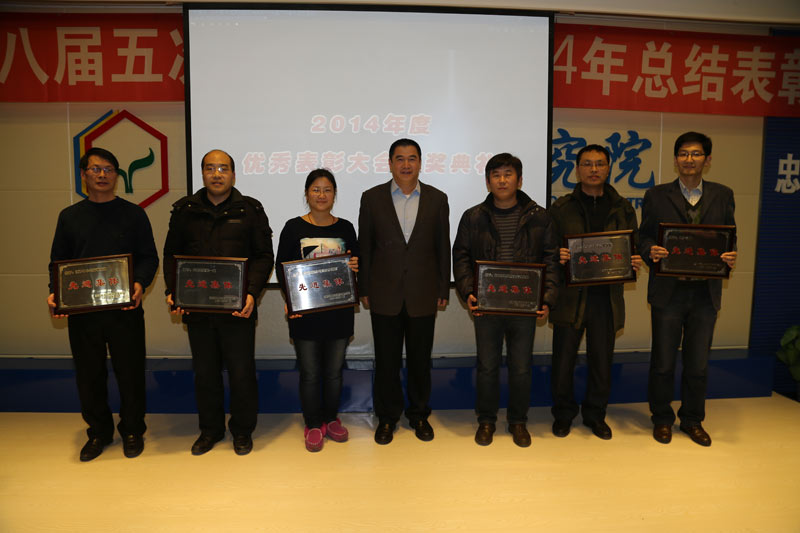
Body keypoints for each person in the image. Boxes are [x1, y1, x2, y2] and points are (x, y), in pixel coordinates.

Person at [48, 147, 159, 461]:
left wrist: (139, 283)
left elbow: (149, 257)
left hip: (125, 309)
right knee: (89, 374)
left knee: (131, 373)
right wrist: (54, 293)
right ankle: (98, 432)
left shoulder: (134, 214)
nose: (102, 175)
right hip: (83, 312)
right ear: (83, 175)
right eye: (95, 169)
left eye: (109, 169)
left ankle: (133, 430)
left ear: (117, 176)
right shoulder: (69, 217)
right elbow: (58, 262)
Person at [163, 149, 274, 456]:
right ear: (202, 174)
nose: (216, 174)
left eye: (223, 168)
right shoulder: (185, 210)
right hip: (198, 309)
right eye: (210, 168)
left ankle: (242, 430)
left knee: (241, 373)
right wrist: (173, 290)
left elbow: (264, 256)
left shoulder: (250, 210)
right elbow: (171, 255)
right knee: (205, 374)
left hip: (238, 309)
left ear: (233, 175)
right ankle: (210, 430)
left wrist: (252, 292)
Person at [453, 153, 559, 447]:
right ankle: (486, 420)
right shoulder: (473, 217)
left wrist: (547, 298)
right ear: (488, 182)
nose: (502, 180)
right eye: (496, 175)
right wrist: (468, 291)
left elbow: (551, 259)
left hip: (524, 307)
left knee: (521, 367)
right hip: (487, 306)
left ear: (519, 180)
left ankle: (518, 421)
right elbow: (461, 256)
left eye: (508, 174)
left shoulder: (540, 217)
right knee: (487, 366)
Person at [640, 132, 737, 447]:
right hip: (668, 292)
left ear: (707, 160)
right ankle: (662, 418)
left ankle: (693, 420)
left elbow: (729, 236)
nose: (689, 159)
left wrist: (730, 256)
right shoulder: (656, 195)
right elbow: (643, 237)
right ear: (675, 159)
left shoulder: (723, 195)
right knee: (663, 362)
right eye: (683, 153)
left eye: (696, 154)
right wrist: (650, 250)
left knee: (698, 364)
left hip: (705, 294)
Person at [358, 138, 450, 445]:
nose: (406, 164)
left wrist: (443, 287)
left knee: (420, 361)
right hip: (384, 292)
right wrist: (364, 286)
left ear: (420, 163)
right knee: (387, 361)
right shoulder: (372, 198)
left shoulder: (437, 199)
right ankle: (387, 418)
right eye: (400, 159)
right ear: (390, 164)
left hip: (424, 292)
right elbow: (365, 246)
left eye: (412, 158)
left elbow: (443, 247)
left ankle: (419, 415)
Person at [548, 144, 642, 440]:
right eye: (587, 164)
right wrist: (558, 255)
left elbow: (633, 245)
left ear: (608, 168)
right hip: (569, 297)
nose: (593, 169)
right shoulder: (561, 208)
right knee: (563, 362)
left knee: (602, 362)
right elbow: (547, 249)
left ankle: (595, 415)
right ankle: (563, 415)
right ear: (577, 169)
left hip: (606, 297)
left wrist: (633, 260)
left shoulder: (623, 207)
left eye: (599, 164)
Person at [276, 169, 359, 452]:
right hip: (306, 314)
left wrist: (356, 266)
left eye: (327, 190)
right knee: (310, 373)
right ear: (306, 193)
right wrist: (290, 300)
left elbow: (356, 263)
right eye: (316, 189)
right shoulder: (293, 227)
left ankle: (331, 419)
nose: (321, 195)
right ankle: (312, 424)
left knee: (334, 372)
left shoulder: (346, 228)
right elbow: (282, 268)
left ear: (334, 194)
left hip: (338, 314)